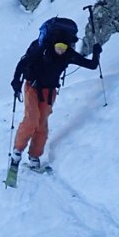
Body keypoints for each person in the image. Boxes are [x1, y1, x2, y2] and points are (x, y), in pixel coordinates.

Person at [9, 17, 102, 172]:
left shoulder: (68, 54)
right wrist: (16, 82)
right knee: (31, 119)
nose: (61, 50)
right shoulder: (41, 50)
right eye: (59, 46)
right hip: (32, 87)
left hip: (49, 92)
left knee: (42, 124)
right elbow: (23, 63)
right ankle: (17, 151)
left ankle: (34, 156)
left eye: (64, 47)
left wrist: (96, 52)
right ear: (53, 44)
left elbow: (91, 66)